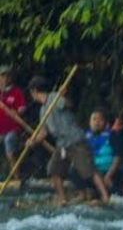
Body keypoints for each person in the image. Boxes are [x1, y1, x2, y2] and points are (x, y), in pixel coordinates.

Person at [25, 76, 109, 205]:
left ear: (34, 91)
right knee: (53, 170)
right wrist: (33, 140)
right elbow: (44, 132)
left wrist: (62, 96)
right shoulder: (42, 110)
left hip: (75, 140)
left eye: (31, 92)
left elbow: (69, 104)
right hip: (62, 145)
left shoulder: (53, 97)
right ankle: (63, 200)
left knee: (89, 170)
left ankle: (105, 197)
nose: (31, 95)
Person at [70, 107, 123, 197]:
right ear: (90, 122)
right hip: (92, 173)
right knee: (74, 170)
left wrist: (108, 176)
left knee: (116, 195)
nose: (96, 122)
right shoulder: (84, 137)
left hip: (109, 173)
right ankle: (83, 193)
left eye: (100, 120)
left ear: (105, 123)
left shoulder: (113, 136)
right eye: (94, 119)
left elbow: (117, 158)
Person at [0, 66, 27, 171]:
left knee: (9, 147)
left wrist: (14, 112)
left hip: (12, 129)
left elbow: (22, 109)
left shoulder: (16, 92)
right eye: (2, 76)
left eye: (6, 75)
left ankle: (16, 178)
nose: (4, 78)